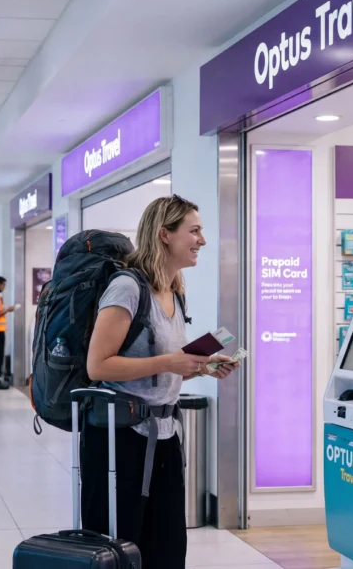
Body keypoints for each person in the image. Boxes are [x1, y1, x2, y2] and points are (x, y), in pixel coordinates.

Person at [83, 195, 239, 568]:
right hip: (119, 439)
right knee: (118, 550)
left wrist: (200, 367)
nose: (202, 239)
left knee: (167, 549)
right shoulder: (127, 288)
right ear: (164, 235)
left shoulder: (174, 290)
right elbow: (98, 366)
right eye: (194, 230)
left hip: (165, 435)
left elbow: (162, 363)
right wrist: (171, 360)